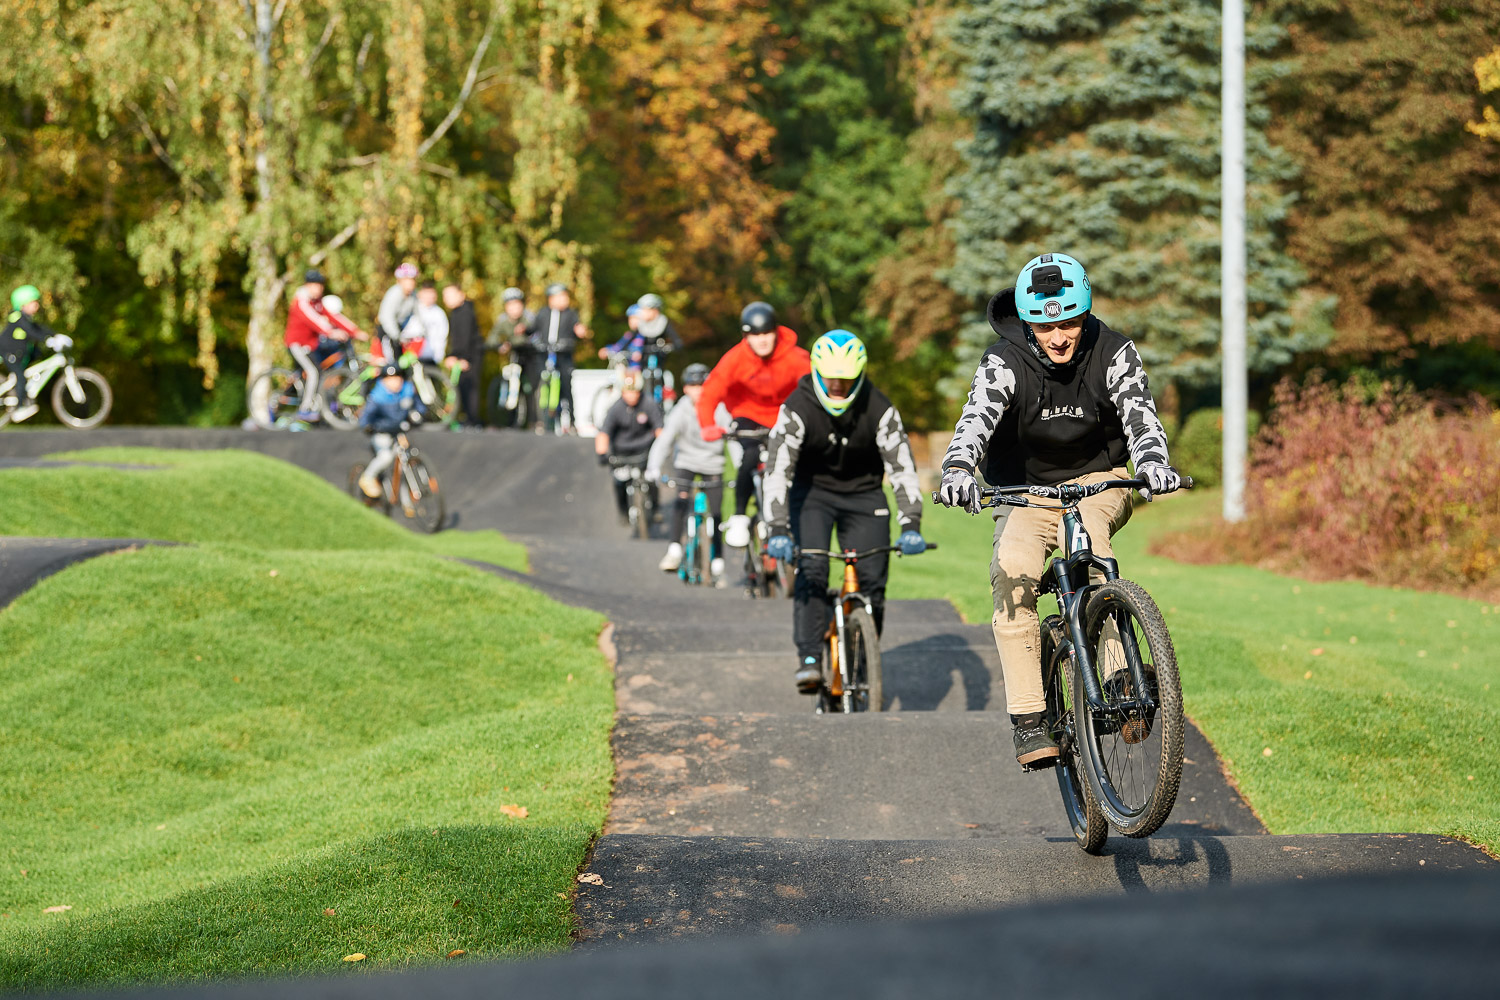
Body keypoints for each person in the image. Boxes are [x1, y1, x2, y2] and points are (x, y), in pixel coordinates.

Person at [934, 252, 1181, 769]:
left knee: (1089, 543)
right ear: (1028, 321)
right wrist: (958, 469)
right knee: (1014, 573)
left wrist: (1154, 462)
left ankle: (1118, 675)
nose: (1060, 336)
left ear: (1085, 314)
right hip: (1023, 491)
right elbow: (977, 418)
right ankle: (1029, 719)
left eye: (1069, 321)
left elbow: (1141, 415)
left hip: (1100, 479)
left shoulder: (1115, 352)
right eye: (1046, 325)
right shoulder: (1004, 360)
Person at [761, 331, 925, 694]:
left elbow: (901, 468)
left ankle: (862, 655)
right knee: (814, 569)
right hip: (813, 495)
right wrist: (777, 528)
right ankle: (808, 658)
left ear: (860, 374)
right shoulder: (797, 407)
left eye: (846, 380)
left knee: (873, 582)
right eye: (830, 378)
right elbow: (777, 471)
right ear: (817, 372)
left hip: (865, 496)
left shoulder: (880, 408)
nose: (837, 386)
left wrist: (911, 522)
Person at [696, 301, 810, 550]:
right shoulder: (735, 359)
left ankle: (792, 517)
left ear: (776, 331)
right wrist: (707, 425)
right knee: (749, 455)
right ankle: (738, 516)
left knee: (798, 465)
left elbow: (814, 388)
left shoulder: (794, 357)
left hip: (784, 415)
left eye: (767, 333)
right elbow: (710, 393)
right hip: (749, 416)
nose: (762, 340)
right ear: (746, 336)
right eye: (755, 335)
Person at [646, 363, 728, 578]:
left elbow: (733, 440)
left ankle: (718, 555)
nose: (698, 390)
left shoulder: (720, 408)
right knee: (680, 503)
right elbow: (665, 440)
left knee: (717, 511)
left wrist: (743, 465)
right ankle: (674, 548)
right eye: (693, 385)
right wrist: (653, 466)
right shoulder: (680, 410)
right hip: (687, 462)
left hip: (713, 463)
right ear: (686, 389)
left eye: (702, 385)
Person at [595, 370, 664, 525]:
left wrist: (662, 449)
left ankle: (655, 509)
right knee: (619, 482)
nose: (631, 396)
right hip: (622, 452)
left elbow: (659, 429)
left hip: (645, 450)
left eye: (634, 392)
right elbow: (604, 433)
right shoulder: (615, 408)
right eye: (628, 392)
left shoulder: (648, 404)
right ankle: (623, 511)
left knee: (651, 479)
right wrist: (602, 454)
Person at [1, 285, 70, 423]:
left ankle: (25, 398)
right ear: (23, 304)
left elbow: (39, 328)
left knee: (33, 360)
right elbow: (30, 331)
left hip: (20, 354)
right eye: (33, 302)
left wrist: (55, 335)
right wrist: (47, 340)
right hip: (8, 352)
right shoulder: (16, 317)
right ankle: (18, 409)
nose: (37, 305)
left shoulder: (27, 318)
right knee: (20, 377)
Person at [525, 283, 589, 430]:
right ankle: (540, 419)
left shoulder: (571, 314)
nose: (565, 300)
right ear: (551, 299)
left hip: (564, 354)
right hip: (544, 354)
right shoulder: (543, 313)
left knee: (566, 386)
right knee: (540, 383)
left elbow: (577, 329)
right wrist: (524, 331)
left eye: (565, 296)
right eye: (561, 296)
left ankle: (571, 421)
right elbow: (533, 329)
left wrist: (580, 332)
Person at [357, 364, 424, 499]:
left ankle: (407, 502)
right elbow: (365, 418)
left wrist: (418, 414)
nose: (395, 382)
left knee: (406, 459)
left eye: (398, 378)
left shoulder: (408, 390)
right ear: (383, 380)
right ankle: (367, 477)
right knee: (386, 457)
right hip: (382, 432)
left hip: (400, 431)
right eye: (390, 378)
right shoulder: (377, 396)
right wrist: (369, 426)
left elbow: (420, 406)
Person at [283, 269, 341, 421]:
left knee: (319, 372)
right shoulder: (301, 301)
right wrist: (331, 332)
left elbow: (334, 317)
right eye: (315, 286)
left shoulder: (318, 302)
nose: (319, 289)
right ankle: (304, 409)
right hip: (296, 344)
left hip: (309, 345)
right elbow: (313, 320)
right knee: (313, 372)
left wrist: (354, 331)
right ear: (308, 286)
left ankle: (316, 407)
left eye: (320, 286)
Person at [443, 285, 483, 428]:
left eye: (450, 295)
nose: (447, 299)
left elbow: (465, 339)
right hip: (463, 356)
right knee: (461, 387)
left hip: (470, 357)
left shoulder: (465, 312)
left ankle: (472, 420)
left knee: (470, 388)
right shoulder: (455, 313)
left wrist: (459, 357)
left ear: (461, 295)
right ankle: (467, 418)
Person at [377, 262, 420, 356]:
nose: (411, 283)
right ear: (399, 281)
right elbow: (387, 318)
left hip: (400, 331)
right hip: (387, 332)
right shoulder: (394, 294)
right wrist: (397, 336)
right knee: (391, 364)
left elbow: (417, 315)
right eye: (407, 280)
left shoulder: (413, 295)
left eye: (413, 280)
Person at [403, 281, 449, 363]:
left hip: (430, 356)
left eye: (431, 294)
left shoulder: (439, 314)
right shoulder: (412, 309)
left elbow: (442, 335)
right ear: (420, 294)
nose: (429, 297)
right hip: (410, 354)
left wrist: (439, 355)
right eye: (426, 294)